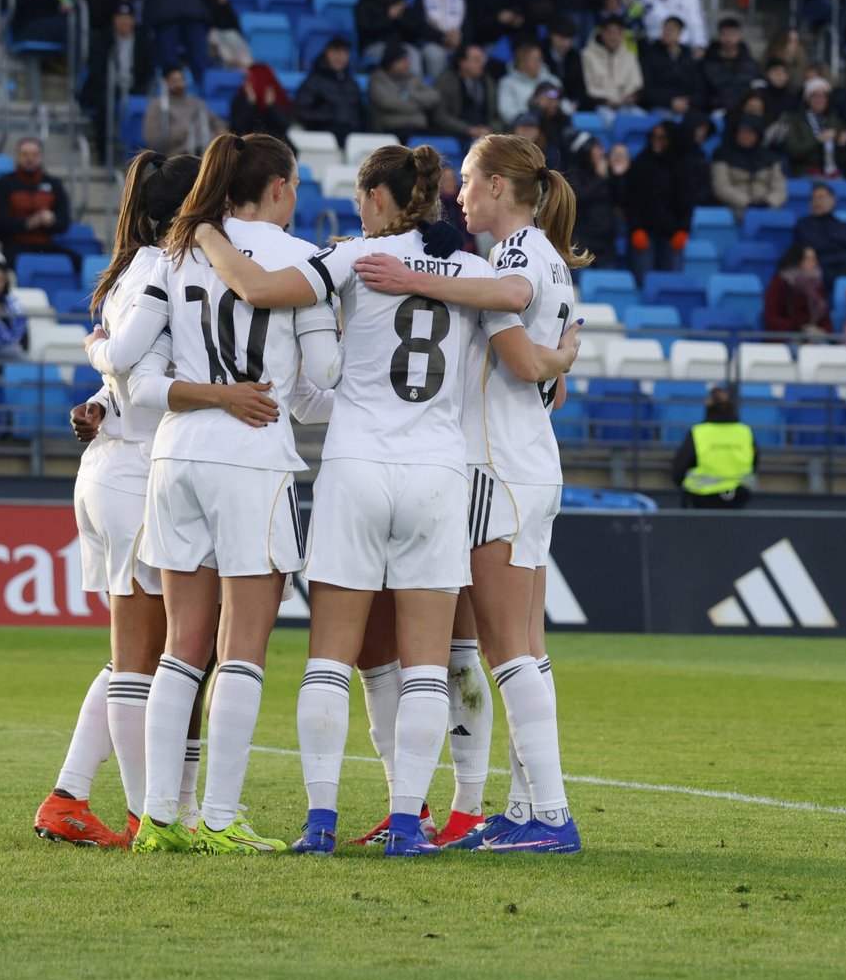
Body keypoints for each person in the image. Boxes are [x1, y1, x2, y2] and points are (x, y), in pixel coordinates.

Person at [189, 145, 503, 856]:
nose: (359, 211)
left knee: (330, 658)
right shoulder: (473, 270)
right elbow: (519, 314)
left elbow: (261, 289)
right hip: (437, 470)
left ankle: (321, 822)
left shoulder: (353, 256)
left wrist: (203, 231)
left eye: (365, 199)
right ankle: (404, 825)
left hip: (357, 464)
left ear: (379, 201)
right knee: (426, 665)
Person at [330, 135, 584, 852]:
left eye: (470, 181)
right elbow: (547, 369)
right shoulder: (548, 257)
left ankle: (554, 817)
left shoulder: (515, 258)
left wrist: (417, 280)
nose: (460, 194)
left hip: (496, 468)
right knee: (527, 650)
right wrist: (562, 358)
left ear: (501, 187)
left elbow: (520, 338)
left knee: (507, 651)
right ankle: (525, 807)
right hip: (529, 463)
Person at [89, 134, 340, 855]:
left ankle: (161, 816)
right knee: (242, 650)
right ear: (282, 187)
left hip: (175, 454)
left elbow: (140, 379)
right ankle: (223, 813)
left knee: (182, 648)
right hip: (252, 462)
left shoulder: (174, 254)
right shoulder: (301, 259)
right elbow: (319, 377)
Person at [34, 150, 226, 848]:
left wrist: (95, 398)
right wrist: (97, 357)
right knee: (153, 659)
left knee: (137, 655)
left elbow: (125, 375)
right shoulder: (158, 271)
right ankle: (153, 814)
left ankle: (69, 797)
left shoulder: (133, 268)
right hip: (137, 475)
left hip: (117, 464)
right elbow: (126, 362)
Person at [625, 121, 694, 284]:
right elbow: (631, 199)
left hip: (672, 233)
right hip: (644, 231)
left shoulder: (681, 165)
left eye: (662, 138)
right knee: (644, 282)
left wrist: (683, 229)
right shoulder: (641, 163)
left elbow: (687, 201)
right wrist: (636, 228)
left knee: (671, 282)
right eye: (654, 137)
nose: (656, 141)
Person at [0, 138, 74, 269]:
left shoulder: (54, 184)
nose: (30, 159)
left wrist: (50, 221)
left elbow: (64, 222)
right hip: (13, 244)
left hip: (45, 243)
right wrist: (29, 222)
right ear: (17, 157)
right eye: (25, 154)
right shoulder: (3, 184)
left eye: (34, 155)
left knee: (77, 261)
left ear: (41, 158)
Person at [670, 386, 757, 509]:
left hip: (701, 501)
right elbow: (755, 463)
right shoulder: (745, 432)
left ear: (708, 405)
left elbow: (678, 471)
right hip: (739, 500)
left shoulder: (698, 433)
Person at [711, 115, 787, 222]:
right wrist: (748, 203)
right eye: (742, 131)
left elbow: (780, 188)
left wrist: (769, 203)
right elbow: (721, 187)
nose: (745, 136)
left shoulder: (769, 157)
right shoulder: (722, 155)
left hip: (767, 208)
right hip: (735, 208)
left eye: (750, 132)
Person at [295, 37, 368, 148]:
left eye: (343, 52)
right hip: (323, 138)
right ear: (326, 53)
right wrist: (328, 117)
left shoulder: (352, 84)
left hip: (353, 138)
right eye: (335, 52)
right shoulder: (313, 82)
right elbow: (301, 111)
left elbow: (362, 115)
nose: (339, 57)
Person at [566, 132, 623, 269]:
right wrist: (600, 178)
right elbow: (578, 198)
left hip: (606, 242)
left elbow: (620, 200)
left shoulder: (608, 173)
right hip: (582, 241)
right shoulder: (573, 172)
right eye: (596, 148)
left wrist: (619, 176)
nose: (601, 152)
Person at [143, 65, 227, 157]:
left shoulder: (196, 102)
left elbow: (217, 122)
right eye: (174, 81)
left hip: (208, 149)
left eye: (181, 80)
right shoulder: (158, 106)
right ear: (166, 83)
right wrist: (186, 130)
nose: (179, 84)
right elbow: (153, 139)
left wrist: (221, 135)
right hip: (180, 154)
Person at [793, 182, 846, 285]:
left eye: (821, 197)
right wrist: (842, 246)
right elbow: (816, 245)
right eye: (813, 198)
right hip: (819, 268)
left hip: (844, 268)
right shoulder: (803, 225)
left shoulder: (842, 225)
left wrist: (832, 237)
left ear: (833, 201)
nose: (816, 202)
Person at [779, 77, 846, 177]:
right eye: (815, 96)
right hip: (804, 172)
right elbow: (794, 151)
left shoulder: (835, 121)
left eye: (823, 97)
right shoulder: (795, 120)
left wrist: (842, 144)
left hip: (831, 172)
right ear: (807, 99)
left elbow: (843, 158)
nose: (819, 100)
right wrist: (817, 141)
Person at [369, 42, 440, 141]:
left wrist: (411, 94)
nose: (407, 64)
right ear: (391, 61)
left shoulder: (412, 78)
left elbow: (434, 96)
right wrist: (420, 106)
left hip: (419, 127)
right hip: (392, 129)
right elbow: (389, 103)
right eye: (403, 60)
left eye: (407, 60)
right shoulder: (378, 79)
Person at [432, 43, 502, 141]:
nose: (482, 63)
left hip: (485, 134)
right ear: (462, 62)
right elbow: (440, 116)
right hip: (455, 133)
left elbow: (495, 115)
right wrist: (468, 130)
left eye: (482, 59)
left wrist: (490, 129)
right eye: (476, 60)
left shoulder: (488, 81)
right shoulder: (445, 81)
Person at [580, 14, 643, 121]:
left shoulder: (630, 56)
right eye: (609, 32)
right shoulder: (587, 55)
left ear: (622, 34)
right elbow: (587, 87)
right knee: (614, 122)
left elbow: (636, 84)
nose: (613, 37)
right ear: (601, 33)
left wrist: (630, 98)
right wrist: (604, 100)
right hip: (599, 105)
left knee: (644, 120)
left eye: (617, 33)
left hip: (625, 104)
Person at [640, 15, 704, 114]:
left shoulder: (688, 56)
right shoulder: (650, 54)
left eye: (671, 29)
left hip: (687, 106)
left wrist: (688, 101)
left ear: (680, 33)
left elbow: (697, 86)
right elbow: (647, 88)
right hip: (660, 106)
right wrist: (670, 102)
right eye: (665, 28)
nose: (667, 33)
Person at [764, 244, 832, 336]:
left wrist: (822, 331)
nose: (814, 263)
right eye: (808, 259)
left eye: (815, 258)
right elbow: (771, 318)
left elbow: (825, 319)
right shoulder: (780, 283)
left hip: (814, 337)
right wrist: (799, 329)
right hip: (787, 336)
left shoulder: (817, 285)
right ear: (797, 260)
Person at [701, 18, 760, 114]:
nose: (729, 39)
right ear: (719, 36)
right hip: (715, 111)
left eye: (732, 35)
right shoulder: (706, 63)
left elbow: (757, 87)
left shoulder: (750, 63)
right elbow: (702, 93)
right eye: (725, 35)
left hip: (745, 112)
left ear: (739, 35)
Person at [498, 38, 562, 126]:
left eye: (540, 58)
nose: (538, 63)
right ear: (521, 62)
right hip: (523, 129)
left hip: (553, 126)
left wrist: (553, 106)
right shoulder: (508, 83)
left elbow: (566, 106)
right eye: (534, 59)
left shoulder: (552, 80)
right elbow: (507, 113)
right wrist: (535, 109)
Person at [228, 63, 294, 144]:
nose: (246, 84)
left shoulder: (279, 98)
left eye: (249, 80)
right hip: (248, 146)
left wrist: (271, 107)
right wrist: (250, 105)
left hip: (273, 147)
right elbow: (237, 129)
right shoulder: (240, 99)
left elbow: (284, 126)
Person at [198, 0, 253, 70]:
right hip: (214, 56)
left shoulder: (228, 12)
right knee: (214, 35)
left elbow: (238, 33)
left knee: (232, 35)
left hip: (232, 53)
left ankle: (243, 66)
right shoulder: (203, 14)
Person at [541, 17, 587, 107]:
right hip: (546, 103)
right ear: (551, 35)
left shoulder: (575, 57)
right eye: (561, 36)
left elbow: (580, 86)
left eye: (568, 38)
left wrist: (575, 103)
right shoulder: (541, 54)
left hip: (569, 104)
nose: (565, 42)